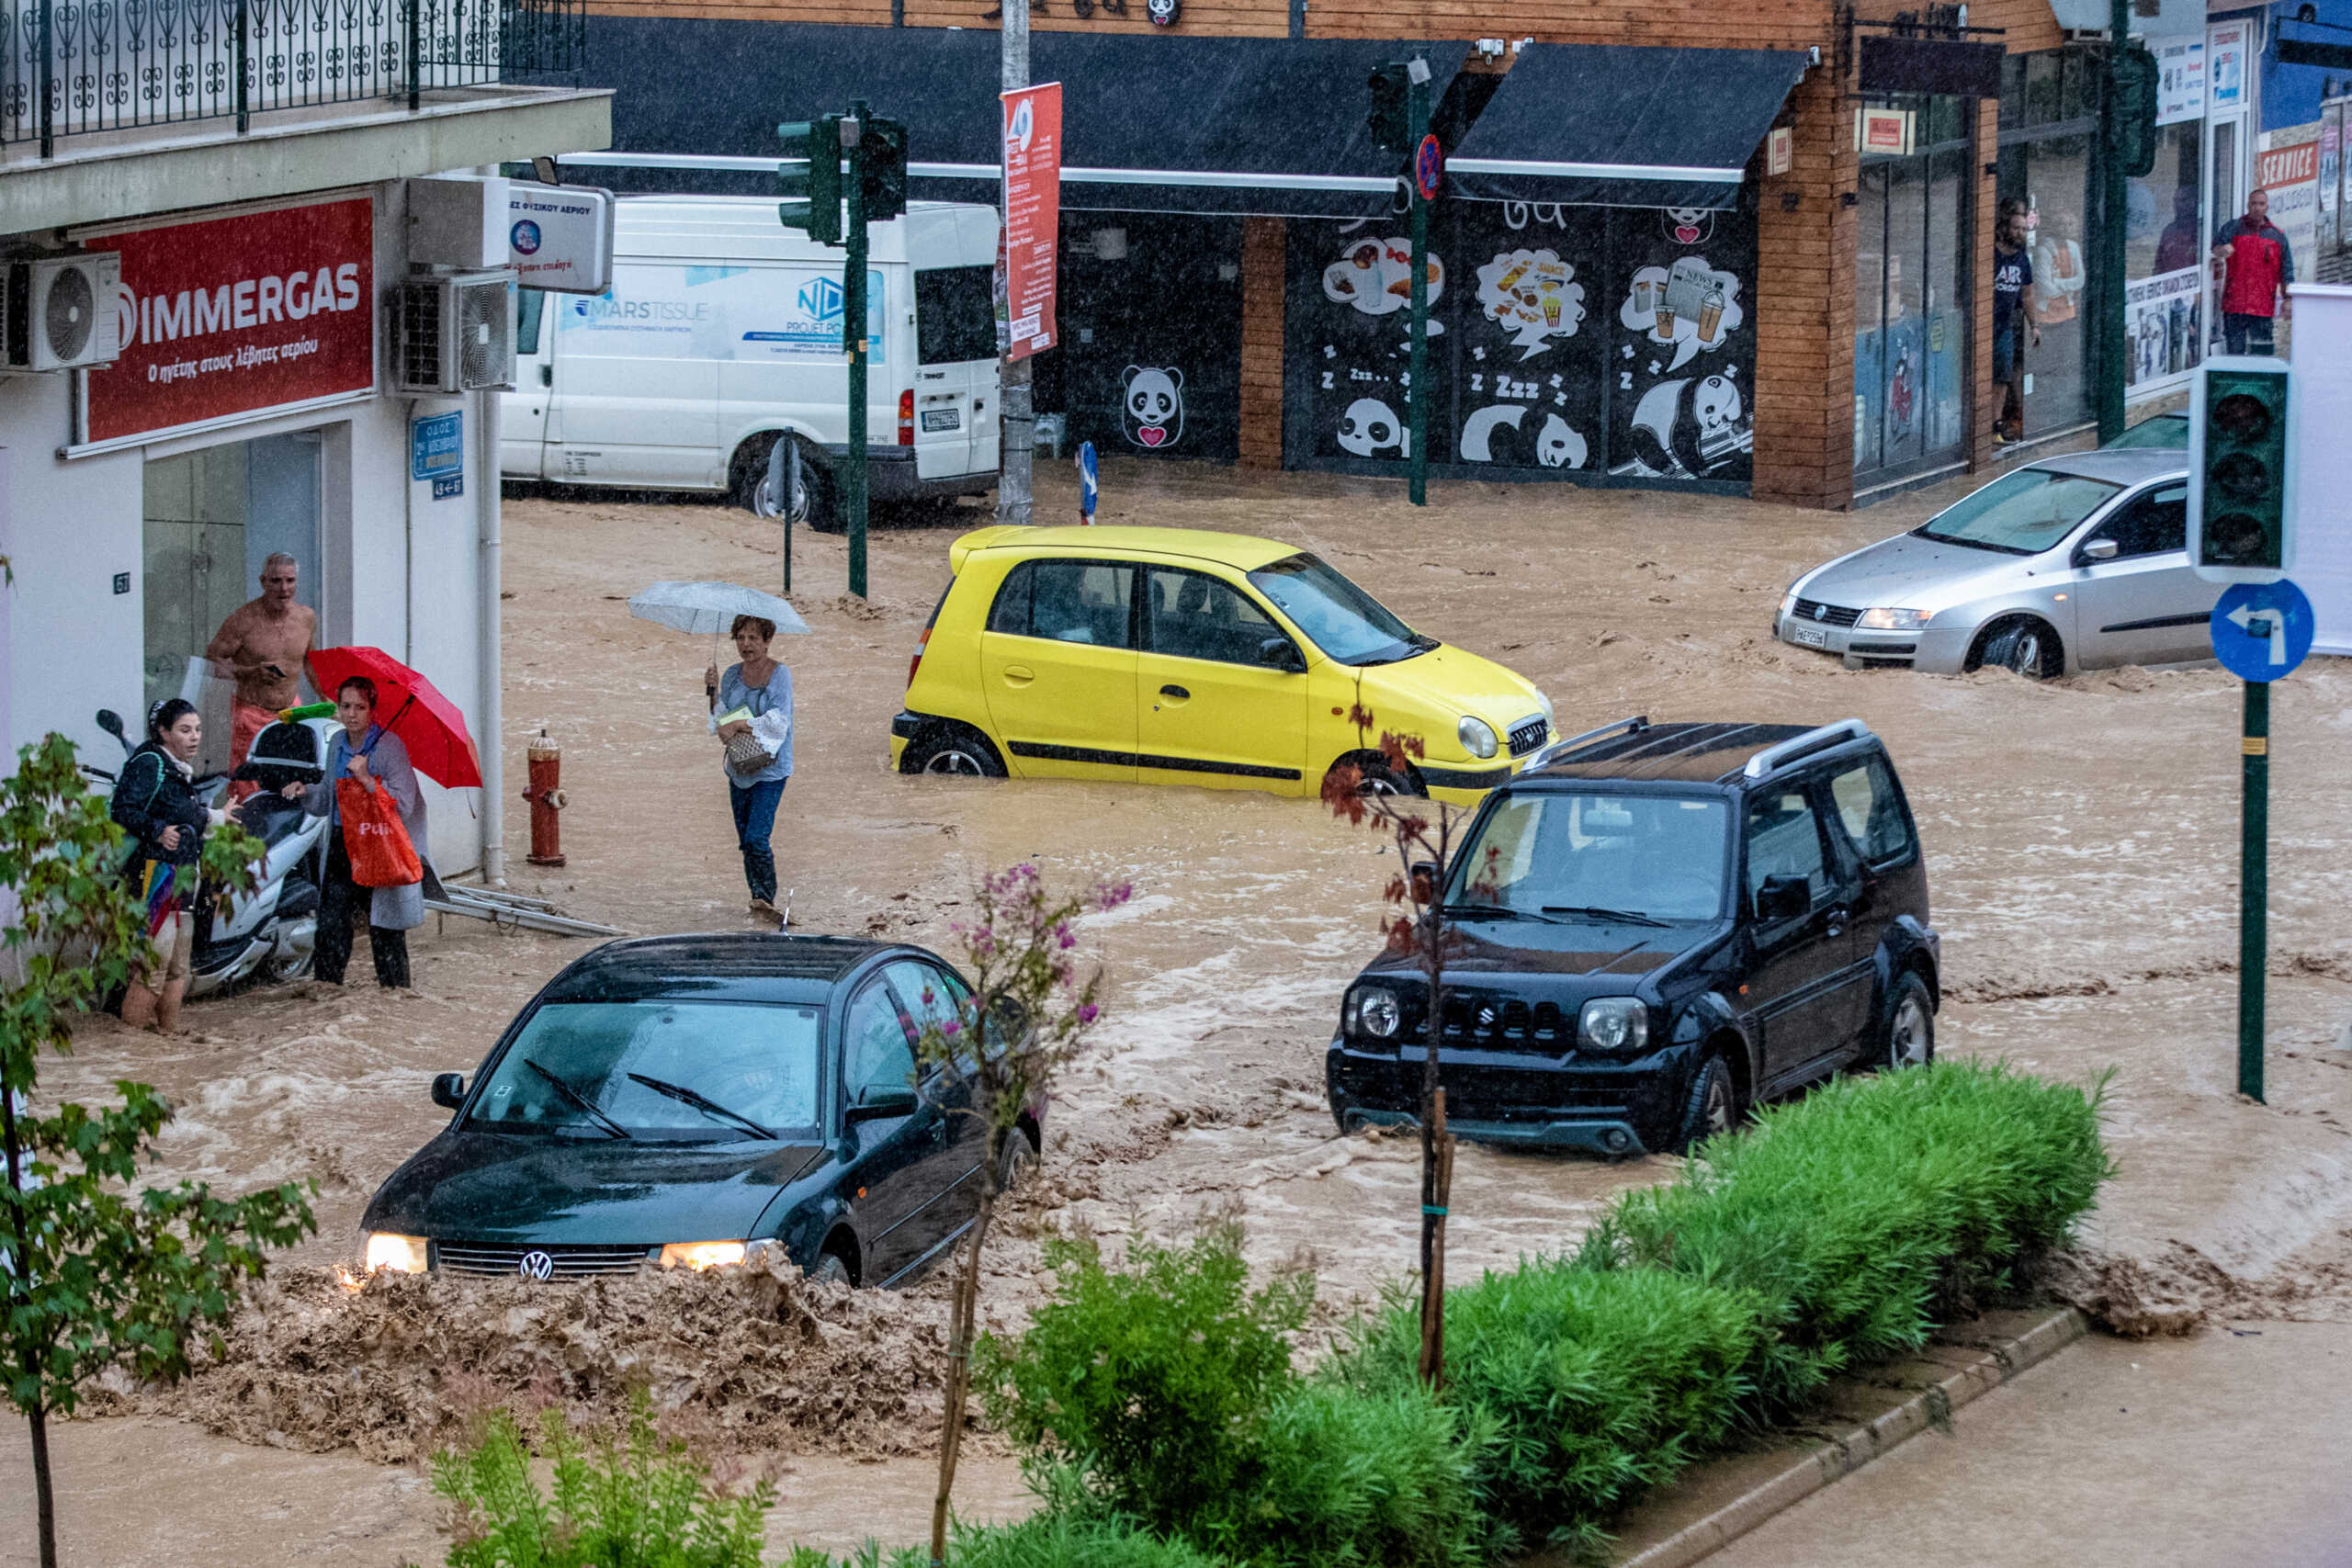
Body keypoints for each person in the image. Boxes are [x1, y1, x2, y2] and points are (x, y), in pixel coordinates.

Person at [280, 676, 425, 989]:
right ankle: (326, 990)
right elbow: (327, 802)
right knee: (331, 925)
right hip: (342, 845)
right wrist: (305, 791)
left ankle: (395, 992)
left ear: (373, 710)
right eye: (345, 706)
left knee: (385, 928)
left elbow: (405, 804)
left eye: (360, 707)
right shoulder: (335, 744)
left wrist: (367, 779)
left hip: (379, 848)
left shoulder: (389, 746)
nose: (351, 714)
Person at [110, 699, 227, 1033]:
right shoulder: (149, 763)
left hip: (184, 874)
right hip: (155, 874)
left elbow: (183, 814)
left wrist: (213, 819)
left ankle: (168, 1039)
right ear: (163, 732)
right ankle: (130, 1046)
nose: (195, 738)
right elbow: (123, 810)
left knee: (179, 966)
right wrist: (157, 831)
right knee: (153, 966)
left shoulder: (177, 769)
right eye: (185, 730)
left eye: (198, 730)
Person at [204, 553, 318, 798]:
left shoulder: (306, 618)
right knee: (247, 787)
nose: (284, 588)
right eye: (276, 581)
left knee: (291, 781)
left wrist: (327, 699)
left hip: (290, 712)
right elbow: (212, 660)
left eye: (290, 581)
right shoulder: (243, 620)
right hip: (251, 713)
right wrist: (251, 672)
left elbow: (311, 662)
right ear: (263, 581)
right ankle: (243, 835)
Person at [706, 615, 794, 927]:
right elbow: (719, 721)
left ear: (767, 641)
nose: (746, 645)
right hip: (739, 768)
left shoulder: (779, 675)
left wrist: (741, 723)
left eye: (753, 638)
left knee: (758, 838)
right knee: (745, 840)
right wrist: (712, 692)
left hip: (772, 769)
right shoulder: (730, 675)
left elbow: (778, 721)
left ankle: (767, 898)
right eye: (741, 638)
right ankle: (756, 898)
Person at [2211, 186, 2295, 355]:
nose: (2257, 207)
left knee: (2262, 354)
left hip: (2262, 306)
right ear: (2248, 206)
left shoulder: (2277, 236)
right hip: (2235, 304)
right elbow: (2213, 248)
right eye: (2253, 204)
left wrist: (2288, 299)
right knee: (2234, 353)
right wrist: (2221, 251)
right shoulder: (2233, 228)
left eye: (2261, 204)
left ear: (2267, 207)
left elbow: (2286, 270)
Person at [1992, 201, 2040, 445]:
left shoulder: (2023, 261)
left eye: (2024, 229)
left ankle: (1996, 425)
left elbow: (2028, 295)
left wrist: (2035, 325)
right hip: (1985, 325)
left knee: (2003, 376)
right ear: (2005, 229)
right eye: (2016, 229)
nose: (2020, 234)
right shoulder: (1992, 256)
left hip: (2005, 327)